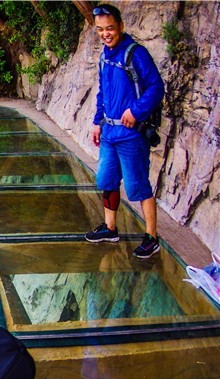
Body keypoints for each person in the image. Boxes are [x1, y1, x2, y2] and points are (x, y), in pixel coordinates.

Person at [85, 3, 165, 259]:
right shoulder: (104, 55)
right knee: (106, 181)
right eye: (100, 30)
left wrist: (137, 111)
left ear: (120, 26)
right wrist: (98, 122)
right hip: (109, 132)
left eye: (110, 28)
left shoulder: (135, 53)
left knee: (137, 186)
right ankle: (110, 228)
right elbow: (103, 92)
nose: (105, 34)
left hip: (131, 134)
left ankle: (152, 237)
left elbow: (156, 87)